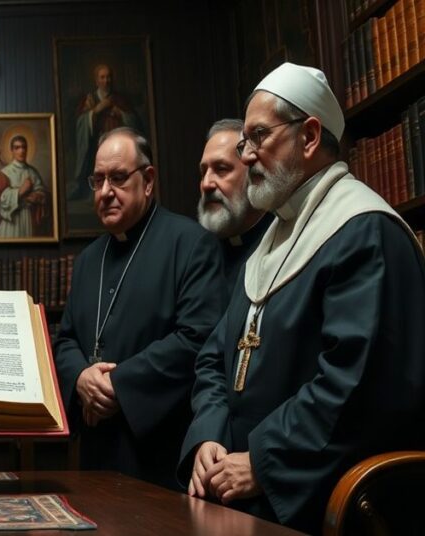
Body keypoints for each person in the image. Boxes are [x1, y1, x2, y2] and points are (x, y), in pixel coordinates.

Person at [180, 63, 425, 532]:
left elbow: (358, 384)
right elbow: (214, 358)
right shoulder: (270, 240)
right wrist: (208, 438)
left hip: (316, 495)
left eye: (257, 136)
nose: (248, 155)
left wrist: (263, 459)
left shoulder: (364, 230)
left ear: (309, 136)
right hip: (239, 485)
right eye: (244, 143)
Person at [53, 127, 224, 490]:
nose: (105, 192)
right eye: (97, 181)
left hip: (156, 454)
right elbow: (66, 340)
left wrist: (118, 384)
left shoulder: (191, 244)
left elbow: (197, 339)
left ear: (148, 181)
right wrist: (83, 379)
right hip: (95, 453)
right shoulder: (87, 260)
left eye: (117, 179)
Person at [197, 118, 271, 290]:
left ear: (253, 174)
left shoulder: (283, 243)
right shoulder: (197, 257)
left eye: (221, 169)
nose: (206, 184)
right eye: (203, 172)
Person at [68, 64, 141, 200]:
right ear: (96, 80)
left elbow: (134, 121)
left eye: (108, 77)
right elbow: (79, 123)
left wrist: (119, 113)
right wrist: (96, 111)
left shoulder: (119, 99)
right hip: (95, 145)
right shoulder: (89, 100)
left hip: (117, 145)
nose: (106, 81)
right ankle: (93, 193)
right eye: (102, 77)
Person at [0, 135, 49, 238]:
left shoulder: (33, 172)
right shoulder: (4, 173)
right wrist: (20, 191)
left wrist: (37, 197)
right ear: (12, 150)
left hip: (28, 219)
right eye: (17, 148)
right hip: (10, 220)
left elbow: (42, 193)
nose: (21, 151)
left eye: (24, 147)